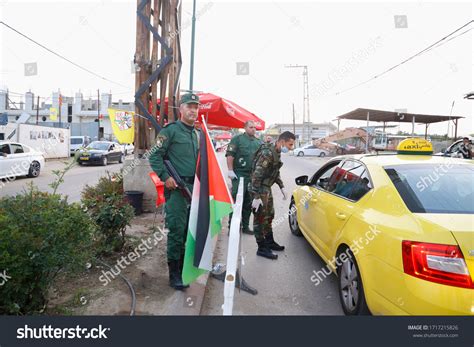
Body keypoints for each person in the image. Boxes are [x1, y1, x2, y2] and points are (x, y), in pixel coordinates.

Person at [149, 93, 200, 290]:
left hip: (193, 189)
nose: (193, 110)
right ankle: (174, 275)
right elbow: (155, 156)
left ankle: (184, 267)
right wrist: (165, 177)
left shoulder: (196, 133)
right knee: (177, 232)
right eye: (189, 106)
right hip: (177, 190)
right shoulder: (170, 131)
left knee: (189, 231)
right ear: (181, 109)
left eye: (196, 107)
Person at [249, 131, 296, 259]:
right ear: (282, 142)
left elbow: (275, 171)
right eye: (290, 144)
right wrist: (256, 196)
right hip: (258, 189)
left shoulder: (276, 151)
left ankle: (269, 242)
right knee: (259, 219)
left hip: (266, 189)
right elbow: (256, 175)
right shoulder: (267, 153)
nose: (291, 148)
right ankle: (261, 248)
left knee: (269, 215)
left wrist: (282, 186)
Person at [226, 121, 262, 235]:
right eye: (251, 127)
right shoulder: (237, 139)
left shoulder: (258, 142)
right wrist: (230, 170)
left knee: (248, 202)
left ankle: (245, 226)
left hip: (252, 176)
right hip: (239, 174)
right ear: (245, 128)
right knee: (237, 200)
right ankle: (232, 226)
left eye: (254, 128)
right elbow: (230, 155)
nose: (253, 129)